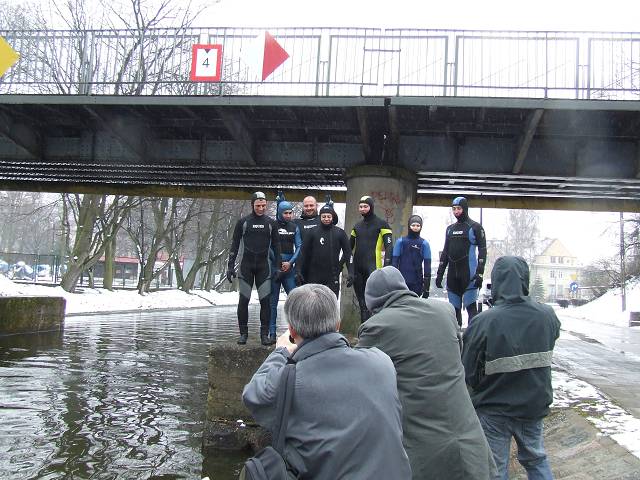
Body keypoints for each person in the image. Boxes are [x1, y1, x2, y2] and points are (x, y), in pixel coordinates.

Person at [242, 283, 412, 480]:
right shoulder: (382, 362)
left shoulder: (291, 379)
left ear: (292, 331)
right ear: (338, 325)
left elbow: (253, 395)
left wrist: (280, 352)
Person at [358, 266, 497, 480]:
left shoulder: (376, 327)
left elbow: (358, 377)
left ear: (373, 304)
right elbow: (457, 353)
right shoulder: (445, 311)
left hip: (426, 450)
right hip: (469, 439)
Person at [462, 256, 561, 480]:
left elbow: (468, 370)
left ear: (496, 282)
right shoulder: (547, 315)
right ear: (525, 279)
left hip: (494, 408)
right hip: (533, 405)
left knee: (496, 468)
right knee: (536, 459)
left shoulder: (484, 321)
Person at [227, 191, 281, 346]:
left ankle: (264, 335)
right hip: (246, 266)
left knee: (265, 302)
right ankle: (243, 334)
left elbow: (277, 246)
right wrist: (230, 266)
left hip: (264, 267)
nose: (261, 208)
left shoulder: (271, 223)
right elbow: (235, 244)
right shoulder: (243, 222)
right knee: (244, 300)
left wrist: (278, 267)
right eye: (258, 205)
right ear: (252, 205)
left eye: (264, 205)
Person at [435, 196, 487, 327]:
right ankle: (456, 339)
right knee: (454, 313)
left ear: (465, 209)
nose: (456, 211)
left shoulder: (475, 227)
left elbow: (483, 251)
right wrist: (440, 273)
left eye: (459, 208)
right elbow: (445, 252)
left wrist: (480, 273)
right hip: (453, 277)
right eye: (454, 209)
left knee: (472, 311)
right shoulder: (450, 229)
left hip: (469, 276)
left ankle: (473, 338)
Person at [350, 195, 393, 322]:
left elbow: (389, 246)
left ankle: (376, 330)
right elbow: (348, 248)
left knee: (375, 305)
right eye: (360, 207)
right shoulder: (357, 226)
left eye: (365, 206)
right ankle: (363, 332)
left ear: (371, 207)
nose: (363, 209)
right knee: (362, 306)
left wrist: (386, 266)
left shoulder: (382, 224)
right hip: (358, 269)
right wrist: (345, 267)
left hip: (374, 267)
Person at [296, 202, 352, 298]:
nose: (326, 219)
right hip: (314, 276)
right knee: (313, 305)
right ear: (320, 217)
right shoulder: (312, 232)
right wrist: (298, 270)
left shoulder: (340, 233)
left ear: (332, 217)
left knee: (331, 305)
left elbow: (348, 254)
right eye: (324, 216)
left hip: (332, 277)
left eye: (329, 216)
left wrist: (351, 272)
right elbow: (302, 252)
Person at [268, 200, 301, 343]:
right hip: (275, 268)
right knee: (272, 303)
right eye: (285, 213)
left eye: (290, 213)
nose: (288, 215)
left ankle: (296, 332)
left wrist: (290, 262)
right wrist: (278, 262)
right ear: (280, 213)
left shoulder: (294, 227)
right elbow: (268, 246)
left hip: (289, 268)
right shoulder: (272, 225)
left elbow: (299, 246)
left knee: (294, 301)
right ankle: (272, 333)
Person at [392, 214, 432, 297]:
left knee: (415, 304)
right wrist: (393, 282)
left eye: (418, 225)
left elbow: (427, 266)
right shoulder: (400, 242)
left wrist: (426, 287)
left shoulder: (424, 244)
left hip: (417, 283)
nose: (415, 227)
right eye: (413, 225)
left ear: (421, 227)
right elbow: (394, 263)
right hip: (401, 282)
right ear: (409, 226)